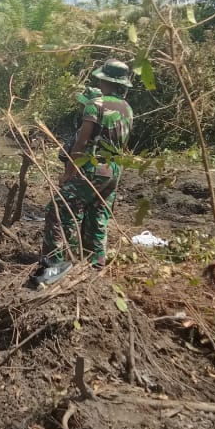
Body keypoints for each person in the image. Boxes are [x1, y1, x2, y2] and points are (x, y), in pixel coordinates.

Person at [32, 59, 134, 286]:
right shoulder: (127, 108)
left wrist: (69, 171)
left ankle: (52, 272)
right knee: (97, 219)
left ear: (104, 79)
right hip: (114, 169)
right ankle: (95, 274)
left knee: (58, 211)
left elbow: (82, 142)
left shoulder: (96, 104)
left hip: (92, 167)